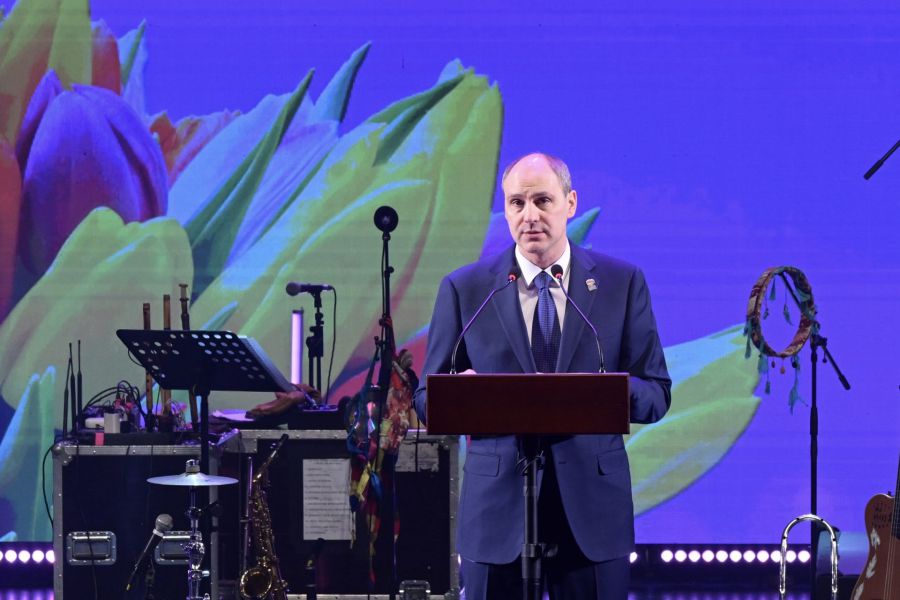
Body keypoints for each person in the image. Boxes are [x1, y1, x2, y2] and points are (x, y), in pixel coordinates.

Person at [413, 152, 671, 599]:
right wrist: (458, 395)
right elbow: (426, 399)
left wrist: (608, 394)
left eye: (542, 201)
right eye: (517, 203)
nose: (529, 216)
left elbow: (656, 393)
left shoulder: (621, 283)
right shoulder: (466, 288)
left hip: (592, 515)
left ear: (570, 203)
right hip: (497, 514)